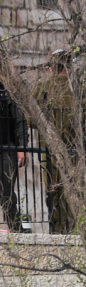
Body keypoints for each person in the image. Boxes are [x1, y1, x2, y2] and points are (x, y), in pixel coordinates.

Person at [32, 49, 86, 233]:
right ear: (69, 68)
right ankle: (73, 231)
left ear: (51, 68)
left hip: (47, 149)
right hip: (72, 149)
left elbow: (30, 121)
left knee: (53, 190)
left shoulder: (41, 88)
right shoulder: (76, 90)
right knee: (72, 190)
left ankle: (56, 230)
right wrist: (84, 136)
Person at [0, 77, 27, 232]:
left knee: (7, 192)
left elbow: (20, 121)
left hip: (7, 147)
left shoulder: (8, 88)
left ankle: (16, 229)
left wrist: (22, 148)